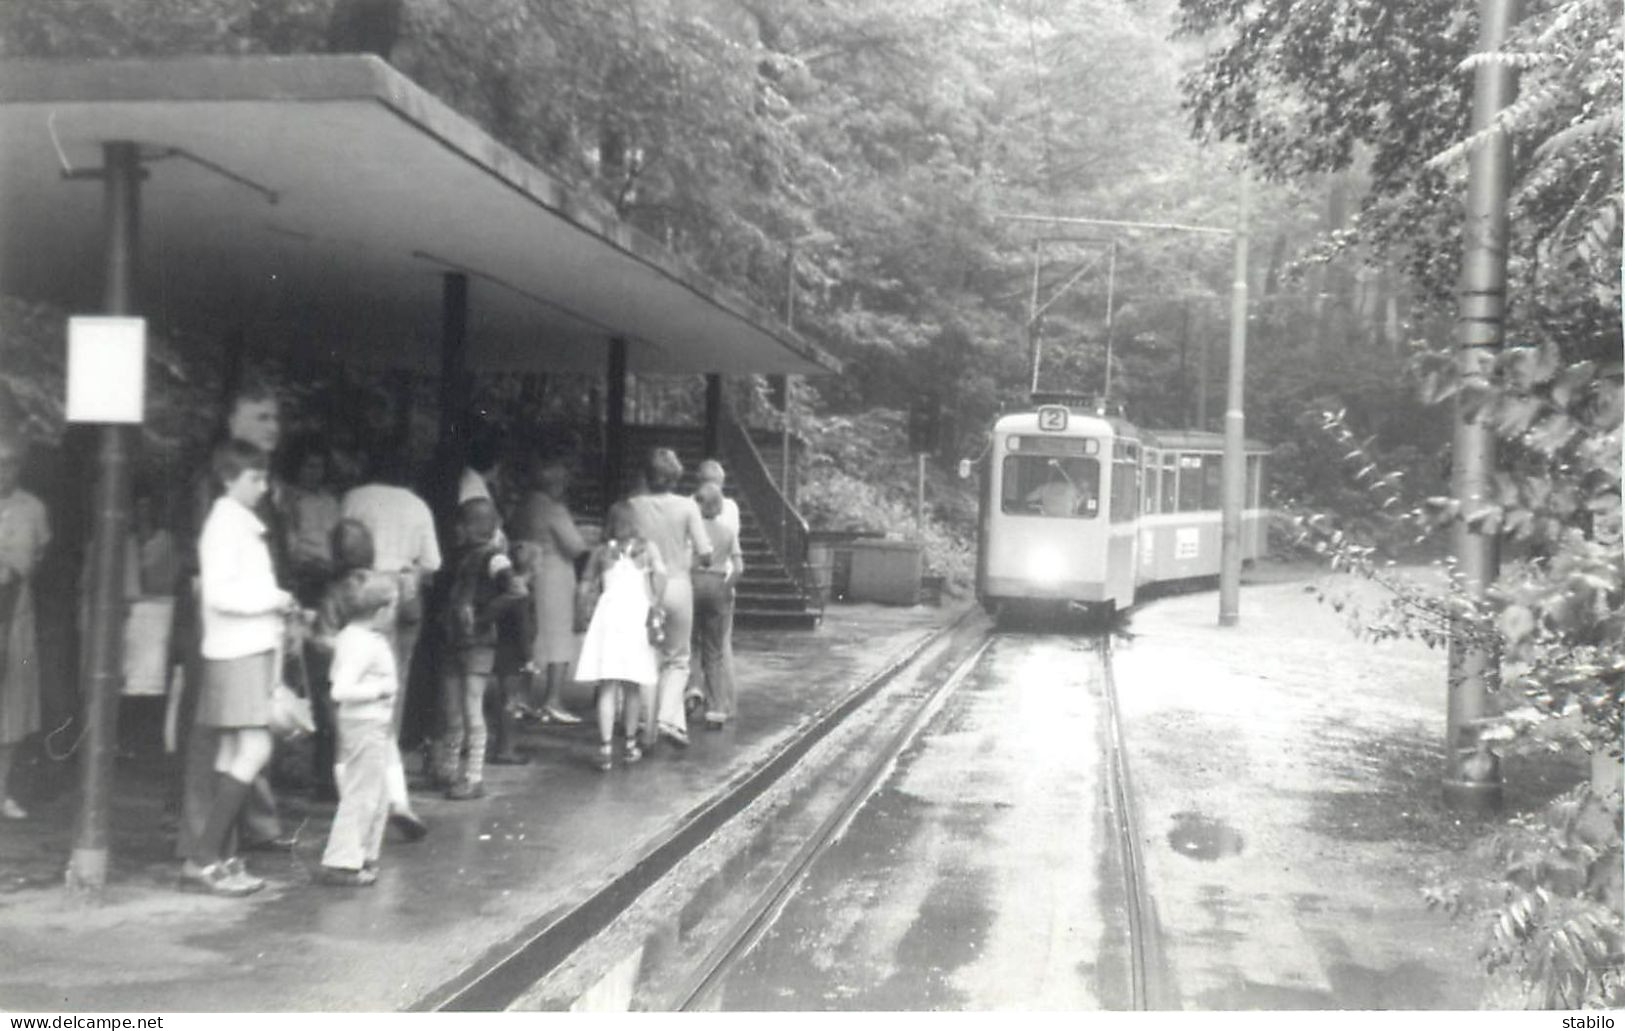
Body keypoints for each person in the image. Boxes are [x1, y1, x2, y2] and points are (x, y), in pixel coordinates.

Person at [173, 384, 290, 862]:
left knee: (240, 737)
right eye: (263, 416)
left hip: (253, 625)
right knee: (216, 737)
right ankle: (204, 840)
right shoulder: (216, 486)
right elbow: (202, 563)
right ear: (233, 425)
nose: (274, 426)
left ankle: (240, 831)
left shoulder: (260, 484)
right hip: (223, 628)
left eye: (276, 417)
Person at [340, 452, 439, 835]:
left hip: (359, 593)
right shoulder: (416, 505)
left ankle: (357, 792)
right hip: (401, 595)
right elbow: (432, 562)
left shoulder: (355, 498)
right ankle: (395, 794)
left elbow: (342, 543)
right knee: (390, 690)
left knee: (350, 688)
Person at [435, 497, 526, 800]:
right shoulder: (463, 555)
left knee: (469, 708)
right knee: (455, 709)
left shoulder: (494, 558)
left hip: (477, 642)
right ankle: (449, 770)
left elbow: (517, 590)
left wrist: (485, 614)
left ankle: (472, 775)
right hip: (457, 640)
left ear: (472, 526)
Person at [626, 448, 713, 749]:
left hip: (643, 586)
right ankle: (666, 717)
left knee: (646, 655)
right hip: (677, 584)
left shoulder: (632, 506)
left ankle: (643, 721)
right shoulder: (688, 507)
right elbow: (706, 553)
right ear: (676, 477)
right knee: (678, 658)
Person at [317, 571, 399, 887]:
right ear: (380, 611)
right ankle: (341, 861)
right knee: (362, 794)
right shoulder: (364, 644)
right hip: (365, 722)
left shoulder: (351, 635)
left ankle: (362, 855)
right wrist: (379, 690)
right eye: (392, 607)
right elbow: (340, 689)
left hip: (369, 723)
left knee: (375, 793)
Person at [575, 502, 664, 771]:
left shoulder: (601, 552)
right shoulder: (647, 550)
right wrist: (655, 603)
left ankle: (604, 747)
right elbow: (661, 576)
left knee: (607, 684)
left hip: (609, 614)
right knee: (633, 684)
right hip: (636, 613)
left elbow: (584, 587)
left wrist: (581, 613)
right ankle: (628, 744)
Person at [515, 459, 589, 724]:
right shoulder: (554, 509)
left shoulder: (523, 506)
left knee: (529, 637)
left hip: (527, 574)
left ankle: (521, 696)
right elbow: (576, 546)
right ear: (555, 485)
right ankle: (553, 699)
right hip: (554, 575)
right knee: (558, 637)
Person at [0, 433, 48, 820]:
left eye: (11, 461)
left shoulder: (33, 508)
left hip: (15, 617)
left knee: (12, 707)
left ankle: (1, 791)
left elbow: (40, 554)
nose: (4, 470)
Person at [690, 483, 743, 730]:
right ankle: (716, 709)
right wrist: (726, 587)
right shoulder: (727, 532)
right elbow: (740, 568)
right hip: (717, 585)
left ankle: (691, 689)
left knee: (690, 644)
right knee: (714, 650)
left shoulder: (692, 530)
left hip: (693, 583)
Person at [283, 436, 341, 606]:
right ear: (298, 467)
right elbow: (288, 541)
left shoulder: (330, 501)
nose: (316, 473)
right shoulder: (288, 499)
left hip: (330, 576)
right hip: (303, 577)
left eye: (320, 467)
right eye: (310, 467)